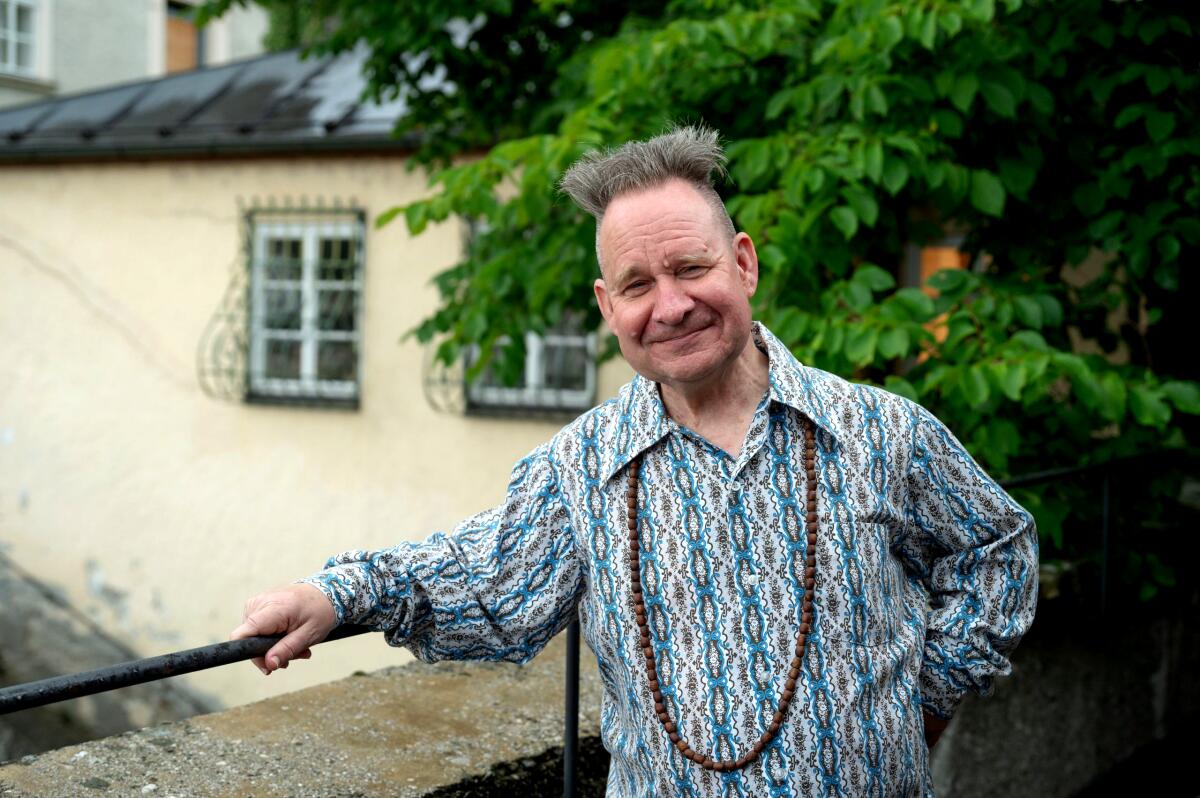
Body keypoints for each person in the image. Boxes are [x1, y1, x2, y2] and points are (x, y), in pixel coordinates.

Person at [232, 126, 1038, 796]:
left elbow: (997, 548)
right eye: (637, 284)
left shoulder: (881, 431)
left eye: (692, 268)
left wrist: (922, 696)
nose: (671, 305)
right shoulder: (579, 468)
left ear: (744, 263)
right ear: (607, 306)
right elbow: (480, 580)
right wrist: (333, 594)